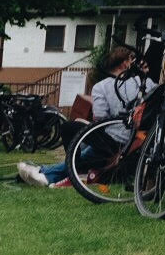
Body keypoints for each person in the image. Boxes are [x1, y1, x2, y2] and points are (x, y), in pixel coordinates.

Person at [18, 44, 151, 186]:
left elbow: (100, 119)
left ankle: (48, 174)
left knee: (74, 129)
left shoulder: (102, 87)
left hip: (115, 143)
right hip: (141, 141)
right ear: (126, 63)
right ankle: (45, 171)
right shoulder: (147, 84)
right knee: (89, 147)